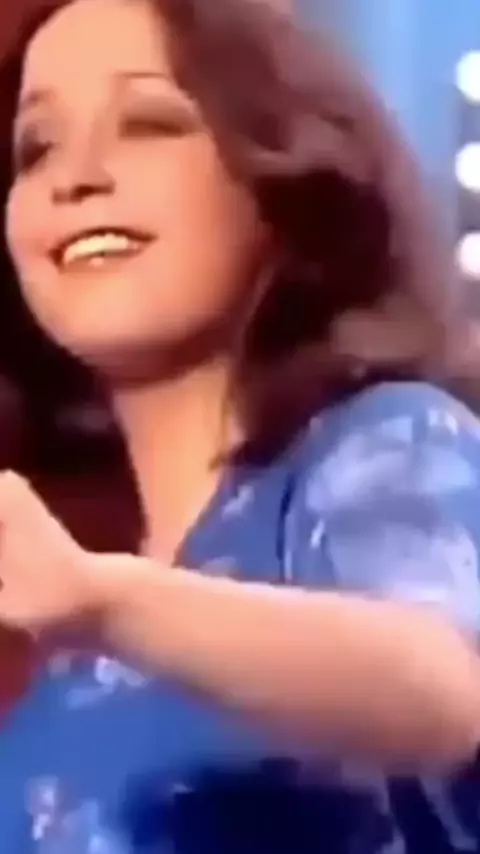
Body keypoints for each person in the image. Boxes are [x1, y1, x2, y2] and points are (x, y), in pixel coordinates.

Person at [0, 0, 479, 850]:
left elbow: (444, 692)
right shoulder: (57, 687)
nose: (76, 177)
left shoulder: (385, 446)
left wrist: (106, 601)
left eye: (150, 123)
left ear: (285, 179)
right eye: (36, 148)